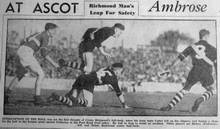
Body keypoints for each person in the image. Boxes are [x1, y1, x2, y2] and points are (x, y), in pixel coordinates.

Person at [160, 29, 217, 112]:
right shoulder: (213, 49)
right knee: (211, 90)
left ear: (200, 36)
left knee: (185, 89)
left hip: (195, 70)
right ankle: (200, 99)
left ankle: (169, 106)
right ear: (206, 36)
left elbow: (180, 59)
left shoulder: (192, 46)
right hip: (206, 71)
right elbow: (216, 64)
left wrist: (169, 69)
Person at [5, 23, 60, 105]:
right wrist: (54, 64)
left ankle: (6, 96)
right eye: (54, 31)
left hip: (20, 51)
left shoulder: (38, 33)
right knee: (41, 74)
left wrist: (26, 51)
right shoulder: (46, 36)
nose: (55, 33)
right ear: (50, 30)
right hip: (26, 52)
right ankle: (37, 98)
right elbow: (43, 53)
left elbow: (23, 41)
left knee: (20, 74)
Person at [48, 63, 129, 108]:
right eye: (121, 71)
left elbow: (98, 71)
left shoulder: (105, 68)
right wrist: (124, 104)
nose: (121, 74)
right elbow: (119, 93)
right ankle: (74, 99)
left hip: (82, 77)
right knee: (88, 104)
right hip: (90, 81)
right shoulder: (114, 79)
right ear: (117, 70)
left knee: (70, 103)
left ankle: (57, 97)